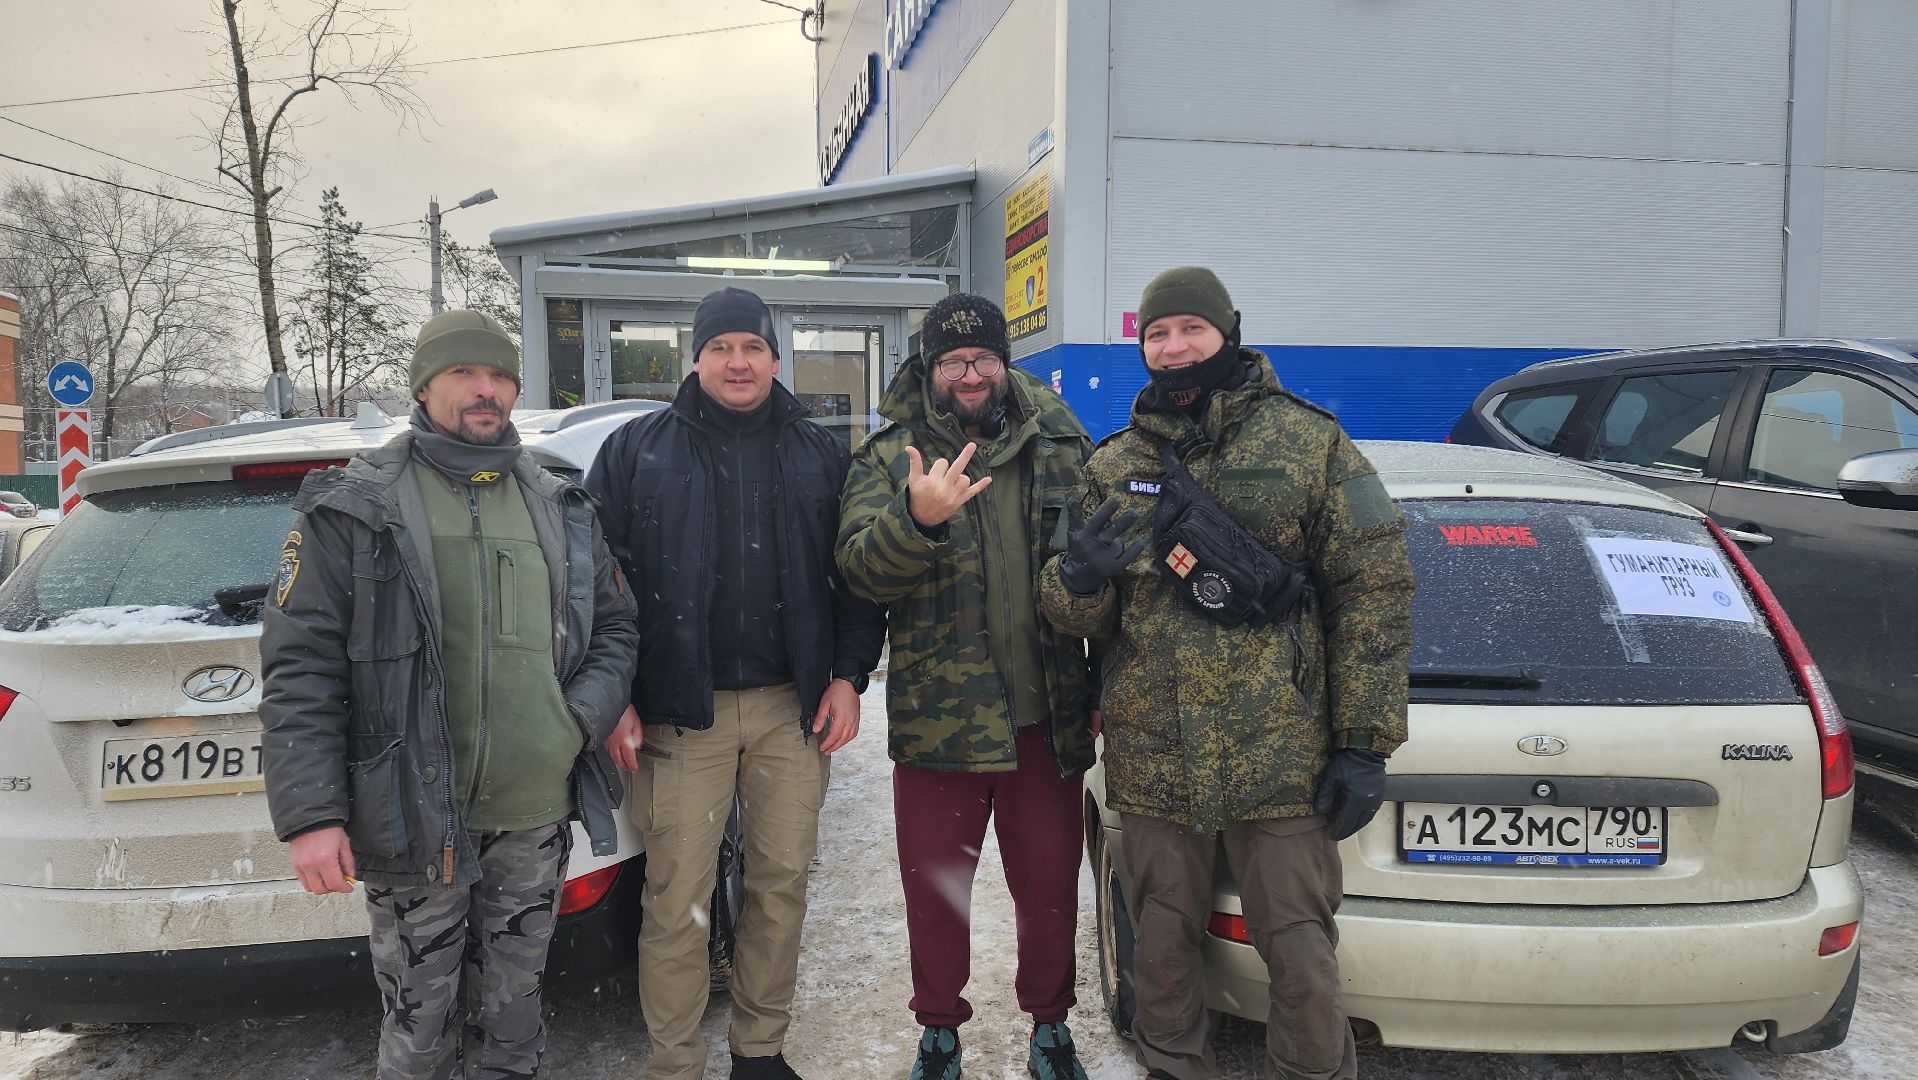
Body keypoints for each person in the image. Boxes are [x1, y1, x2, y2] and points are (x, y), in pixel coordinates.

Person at [1038, 268, 1415, 1080]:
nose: (1175, 349)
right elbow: (1077, 622)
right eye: (1158, 336)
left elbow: (1374, 589)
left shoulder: (1307, 443)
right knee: (1163, 957)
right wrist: (1075, 580)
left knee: (1303, 960)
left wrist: (1363, 741)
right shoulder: (1115, 463)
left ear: (1228, 332)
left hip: (1278, 755)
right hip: (1154, 757)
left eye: (1191, 330)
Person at [260, 308, 640, 1079]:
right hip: (408, 815)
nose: (485, 390)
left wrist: (577, 719)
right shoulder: (356, 508)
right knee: (418, 1024)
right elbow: (301, 666)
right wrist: (313, 815)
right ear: (425, 385)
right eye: (465, 373)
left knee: (514, 1015)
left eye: (499, 375)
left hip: (532, 812)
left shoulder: (559, 503)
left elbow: (616, 627)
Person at [587, 286, 886, 1080]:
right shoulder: (638, 451)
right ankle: (674, 1063)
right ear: (696, 358)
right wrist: (613, 693)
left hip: (793, 709)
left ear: (774, 357)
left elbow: (855, 581)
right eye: (721, 348)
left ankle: (759, 1051)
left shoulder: (820, 454)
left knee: (779, 885)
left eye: (752, 347)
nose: (737, 361)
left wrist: (850, 676)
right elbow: (592, 582)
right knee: (678, 899)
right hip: (682, 715)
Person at [837, 293, 1099, 1080]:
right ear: (929, 367)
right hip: (938, 724)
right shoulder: (891, 455)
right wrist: (914, 521)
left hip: (1046, 717)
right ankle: (939, 1034)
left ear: (1003, 360)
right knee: (938, 895)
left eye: (982, 357)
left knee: (1051, 893)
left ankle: (1050, 1028)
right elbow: (858, 571)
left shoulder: (1060, 443)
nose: (970, 374)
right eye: (953, 362)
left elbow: (1099, 573)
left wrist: (1090, 585)